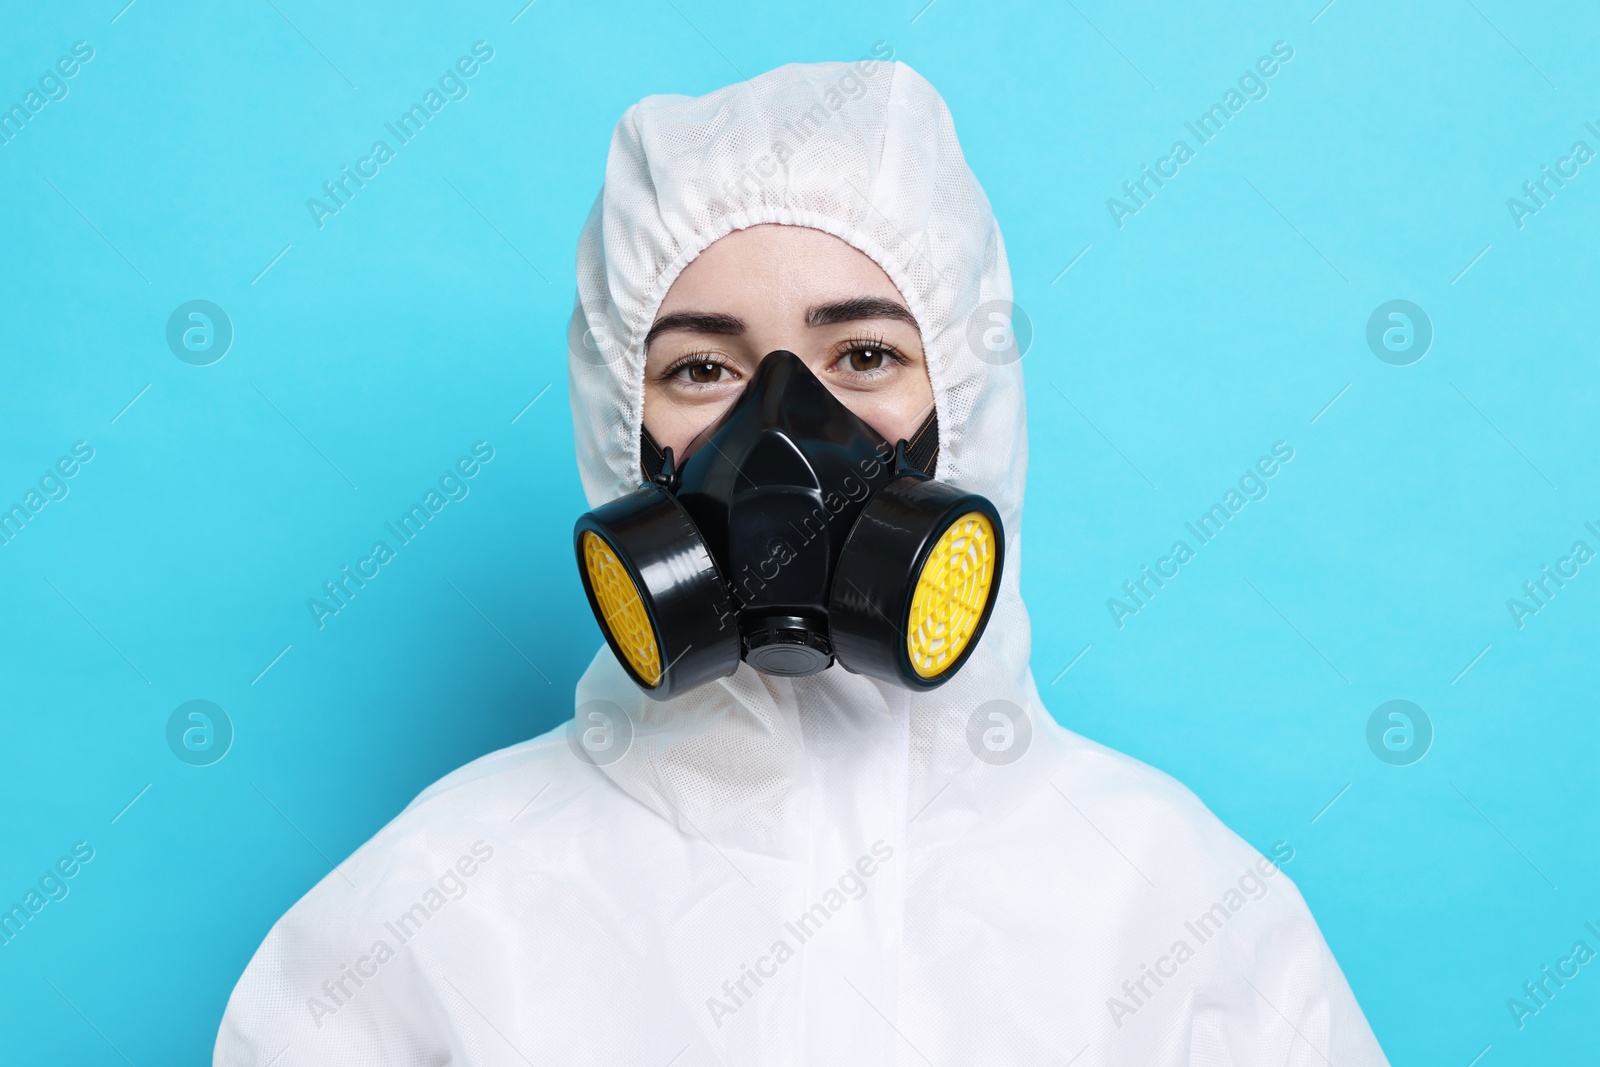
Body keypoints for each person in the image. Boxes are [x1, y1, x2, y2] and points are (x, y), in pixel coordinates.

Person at [216, 59, 1389, 1065]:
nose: (781, 431)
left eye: (865, 351)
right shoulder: (439, 904)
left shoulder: (1175, 905)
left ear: (970, 407)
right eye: (701, 371)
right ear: (617, 428)